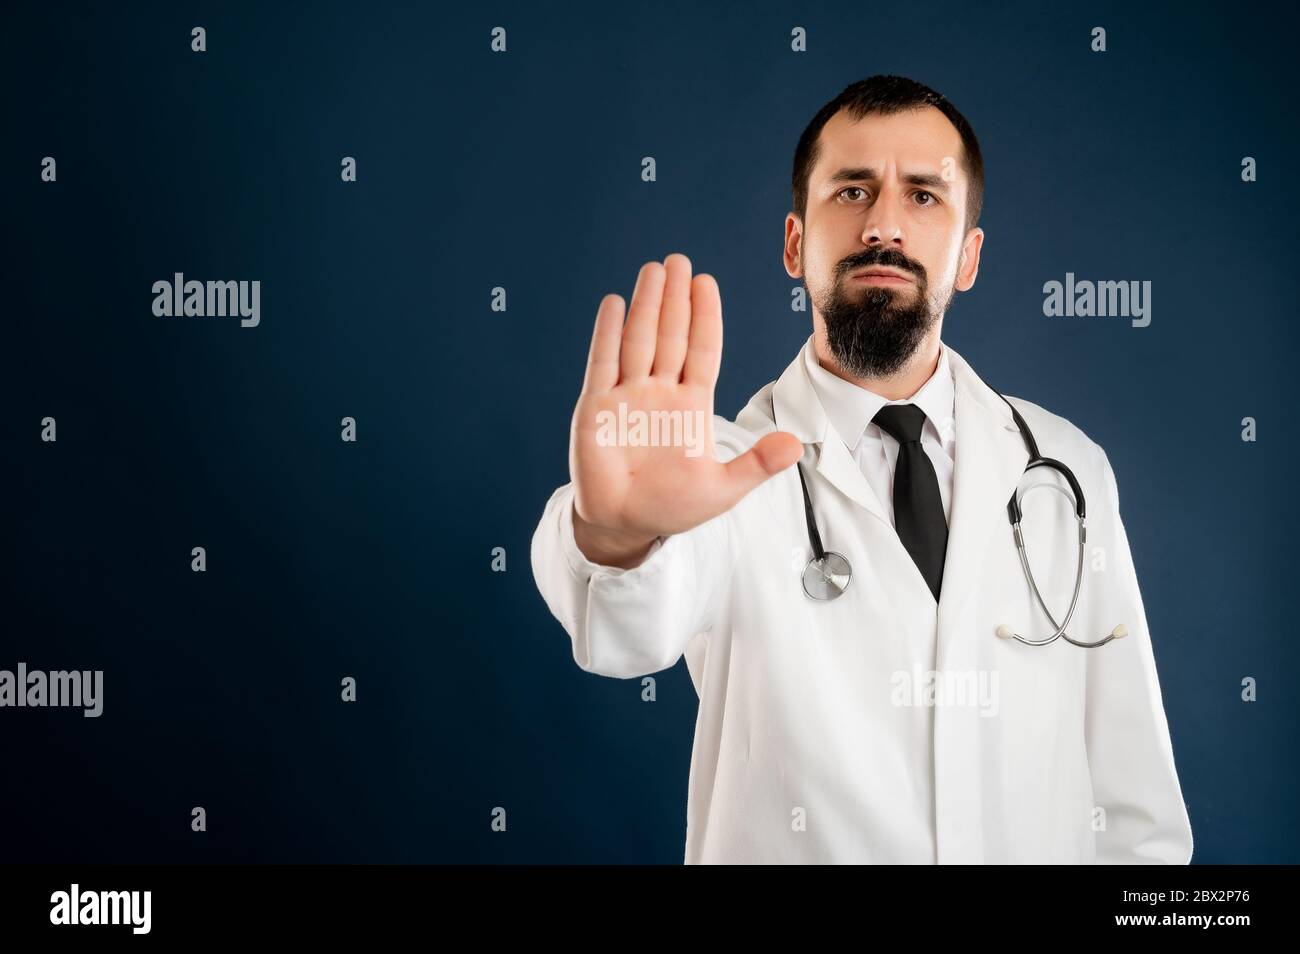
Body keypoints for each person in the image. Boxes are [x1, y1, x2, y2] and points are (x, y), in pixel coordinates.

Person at [530, 75, 1193, 864]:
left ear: (969, 254)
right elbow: (626, 634)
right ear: (794, 243)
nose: (884, 225)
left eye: (923, 196)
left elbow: (1135, 813)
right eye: (851, 191)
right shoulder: (717, 474)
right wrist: (614, 536)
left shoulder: (1066, 469)